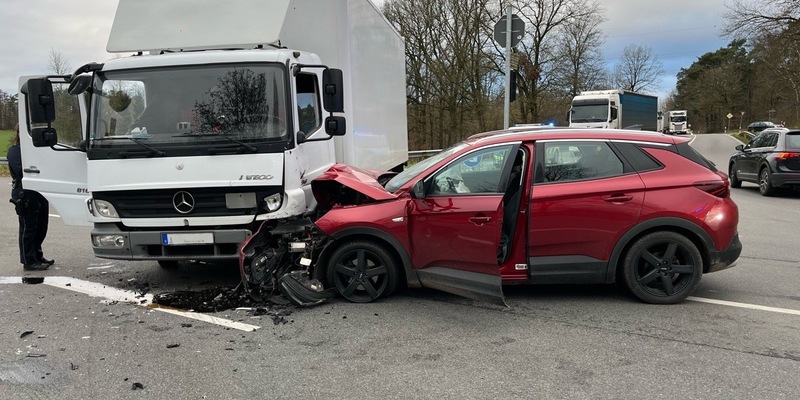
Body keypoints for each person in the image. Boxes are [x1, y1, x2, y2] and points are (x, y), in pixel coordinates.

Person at [7, 123, 53, 271]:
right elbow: (21, 170)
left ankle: (37, 255)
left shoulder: (36, 151)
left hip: (39, 191)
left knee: (41, 226)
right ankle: (29, 260)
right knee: (28, 228)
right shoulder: (15, 151)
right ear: (19, 134)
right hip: (24, 192)